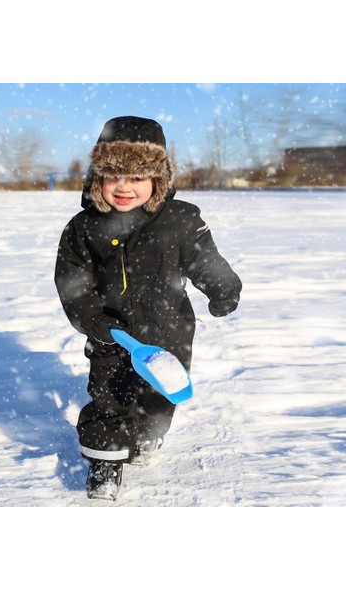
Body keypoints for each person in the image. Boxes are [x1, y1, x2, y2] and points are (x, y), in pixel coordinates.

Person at [54, 116, 242, 500]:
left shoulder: (181, 220)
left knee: (160, 396)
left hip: (169, 329)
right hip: (112, 334)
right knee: (108, 396)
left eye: (137, 176)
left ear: (159, 179)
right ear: (96, 179)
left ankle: (147, 435)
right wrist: (93, 320)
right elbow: (72, 280)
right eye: (112, 176)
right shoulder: (84, 227)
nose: (124, 187)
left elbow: (205, 260)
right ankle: (106, 461)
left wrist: (223, 288)